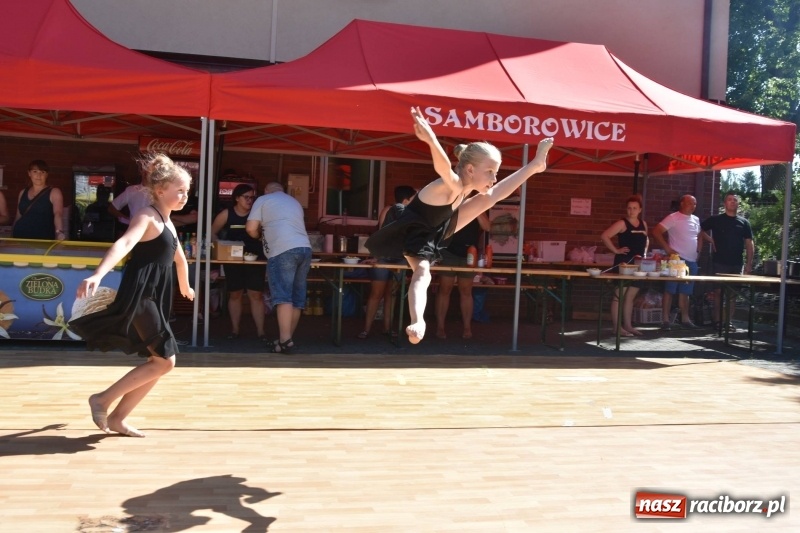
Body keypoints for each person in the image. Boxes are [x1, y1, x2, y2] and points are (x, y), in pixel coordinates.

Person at [366, 106, 554, 344]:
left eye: (495, 172)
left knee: (490, 197)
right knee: (422, 271)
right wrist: (432, 140)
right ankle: (418, 320)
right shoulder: (453, 185)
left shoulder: (467, 186)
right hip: (416, 230)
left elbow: (493, 191)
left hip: (441, 224)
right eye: (490, 172)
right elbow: (443, 167)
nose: (494, 178)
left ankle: (535, 166)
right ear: (470, 169)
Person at [70, 153, 195, 438]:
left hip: (155, 298)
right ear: (161, 190)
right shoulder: (147, 216)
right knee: (165, 361)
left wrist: (185, 286)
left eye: (187, 191)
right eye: (180, 191)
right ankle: (102, 400)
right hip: (141, 296)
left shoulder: (168, 222)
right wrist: (98, 274)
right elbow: (124, 243)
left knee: (159, 362)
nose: (185, 196)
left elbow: (179, 260)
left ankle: (118, 418)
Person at [246, 181, 312, 353]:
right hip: (305, 248)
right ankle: (286, 338)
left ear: (267, 190)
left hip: (283, 250)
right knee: (297, 298)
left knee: (283, 296)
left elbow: (250, 228)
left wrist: (259, 235)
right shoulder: (294, 202)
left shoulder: (264, 199)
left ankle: (284, 340)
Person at [358, 185, 416, 339]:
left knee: (392, 293)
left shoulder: (411, 214)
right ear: (406, 200)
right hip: (384, 256)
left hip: (400, 257)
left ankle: (388, 328)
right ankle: (366, 329)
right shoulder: (388, 210)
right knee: (376, 293)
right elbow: (382, 234)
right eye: (413, 199)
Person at [210, 184, 266, 340]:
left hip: (256, 258)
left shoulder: (258, 213)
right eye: (246, 197)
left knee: (256, 295)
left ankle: (261, 332)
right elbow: (212, 232)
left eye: (252, 197)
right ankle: (235, 330)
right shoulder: (227, 214)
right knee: (235, 294)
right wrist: (221, 246)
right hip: (233, 259)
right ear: (237, 198)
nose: (250, 200)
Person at [700, 192, 754, 330]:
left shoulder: (744, 222)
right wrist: (710, 240)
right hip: (719, 262)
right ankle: (717, 321)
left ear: (738, 204)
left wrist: (749, 264)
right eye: (729, 200)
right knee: (718, 292)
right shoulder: (716, 219)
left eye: (735, 200)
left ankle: (728, 322)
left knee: (732, 294)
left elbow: (749, 243)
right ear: (725, 203)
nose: (732, 202)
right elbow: (699, 230)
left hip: (736, 263)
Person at [435, 212, 491, 339]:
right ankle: (440, 327)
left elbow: (487, 227)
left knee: (466, 291)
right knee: (444, 289)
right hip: (448, 251)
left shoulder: (478, 203)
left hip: (469, 253)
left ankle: (467, 328)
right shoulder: (452, 202)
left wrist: (477, 209)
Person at [600, 194, 649, 336]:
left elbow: (646, 240)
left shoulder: (643, 223)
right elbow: (605, 236)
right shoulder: (621, 223)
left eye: (635, 208)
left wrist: (645, 253)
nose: (631, 211)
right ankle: (616, 327)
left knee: (630, 296)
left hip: (638, 263)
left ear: (640, 209)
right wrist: (616, 250)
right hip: (624, 262)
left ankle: (628, 325)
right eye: (629, 208)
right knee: (619, 295)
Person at [652, 194, 702, 330]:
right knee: (670, 290)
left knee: (686, 292)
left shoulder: (696, 219)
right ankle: (666, 320)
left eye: (695, 203)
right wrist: (667, 248)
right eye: (690, 203)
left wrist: (698, 251)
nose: (693, 206)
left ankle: (685, 319)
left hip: (691, 260)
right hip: (677, 260)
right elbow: (657, 231)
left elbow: (698, 235)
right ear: (682, 203)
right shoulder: (673, 217)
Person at [12, 159, 66, 240]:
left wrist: (59, 233)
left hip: (41, 241)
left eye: (42, 172)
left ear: (47, 175)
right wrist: (12, 234)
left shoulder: (54, 192)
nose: (39, 175)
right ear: (29, 173)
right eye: (35, 171)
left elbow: (58, 214)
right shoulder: (22, 192)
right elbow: (18, 216)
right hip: (19, 239)